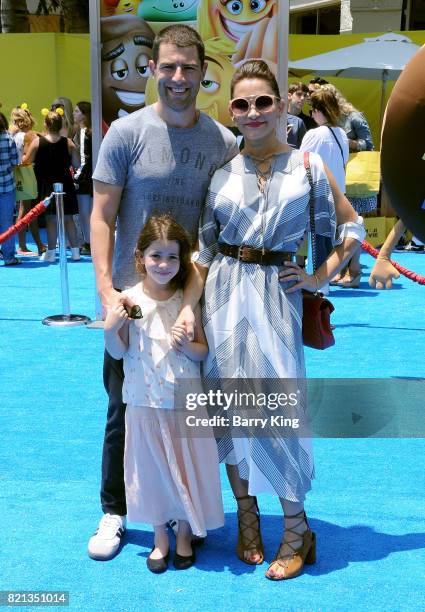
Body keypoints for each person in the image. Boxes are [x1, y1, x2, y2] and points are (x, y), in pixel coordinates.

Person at [180, 59, 365, 580]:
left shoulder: (307, 167)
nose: (253, 112)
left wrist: (317, 277)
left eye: (264, 101)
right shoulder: (223, 173)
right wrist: (183, 309)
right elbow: (204, 252)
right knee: (230, 411)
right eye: (242, 104)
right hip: (221, 301)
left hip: (274, 304)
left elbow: (351, 229)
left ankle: (296, 528)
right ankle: (248, 519)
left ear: (282, 105)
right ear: (232, 111)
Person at [88, 23, 238, 561]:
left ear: (203, 73)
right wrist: (108, 291)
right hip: (133, 303)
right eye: (169, 67)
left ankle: (184, 508)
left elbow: (223, 224)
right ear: (154, 69)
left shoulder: (222, 142)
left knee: (187, 414)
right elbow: (101, 216)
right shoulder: (125, 134)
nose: (178, 77)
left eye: (188, 68)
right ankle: (115, 510)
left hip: (192, 303)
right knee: (123, 409)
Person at [104, 214, 223, 572]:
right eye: (156, 256)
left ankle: (184, 533)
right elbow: (118, 352)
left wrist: (188, 345)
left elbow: (203, 351)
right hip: (143, 401)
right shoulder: (128, 300)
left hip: (184, 401)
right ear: (140, 257)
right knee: (151, 471)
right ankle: (159, 536)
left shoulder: (186, 304)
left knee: (188, 469)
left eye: (173, 258)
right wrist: (112, 328)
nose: (164, 265)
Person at [326, 84, 377, 287]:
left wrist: (347, 142)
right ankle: (343, 269)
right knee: (340, 226)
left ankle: (353, 271)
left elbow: (369, 144)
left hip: (354, 177)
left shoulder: (354, 116)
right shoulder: (330, 120)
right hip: (338, 176)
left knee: (351, 224)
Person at [23, 109, 81, 262]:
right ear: (61, 124)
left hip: (47, 186)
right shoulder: (68, 142)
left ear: (46, 124)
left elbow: (26, 162)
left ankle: (50, 253)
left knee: (51, 220)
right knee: (69, 219)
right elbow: (77, 164)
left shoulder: (37, 142)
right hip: (66, 185)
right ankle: (75, 252)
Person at [10, 106, 46, 256]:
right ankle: (29, 245)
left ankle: (26, 244)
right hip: (26, 172)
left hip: (18, 172)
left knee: (24, 209)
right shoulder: (29, 136)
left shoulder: (16, 135)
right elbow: (26, 157)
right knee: (28, 210)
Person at [300, 87, 349, 194]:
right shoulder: (342, 134)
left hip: (320, 196)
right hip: (339, 194)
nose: (312, 115)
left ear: (317, 110)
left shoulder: (313, 134)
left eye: (311, 111)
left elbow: (301, 167)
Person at [0, 112, 20, 266]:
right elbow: (15, 162)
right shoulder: (8, 139)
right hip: (6, 186)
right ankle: (8, 256)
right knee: (7, 222)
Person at [73, 101, 93, 255]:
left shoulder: (83, 132)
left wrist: (76, 177)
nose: (74, 113)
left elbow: (84, 159)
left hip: (85, 178)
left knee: (85, 212)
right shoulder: (94, 130)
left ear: (84, 114)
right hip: (96, 177)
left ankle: (89, 242)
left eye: (77, 111)